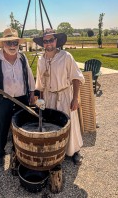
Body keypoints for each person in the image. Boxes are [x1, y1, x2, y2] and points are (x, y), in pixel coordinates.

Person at [0, 28, 35, 167]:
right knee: (0, 128)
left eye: (15, 43)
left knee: (21, 127)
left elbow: (29, 76)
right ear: (3, 44)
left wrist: (32, 93)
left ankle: (18, 151)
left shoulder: (22, 57)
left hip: (21, 98)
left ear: (18, 44)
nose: (12, 46)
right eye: (9, 43)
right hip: (2, 99)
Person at [33, 28, 85, 165]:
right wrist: (41, 100)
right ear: (42, 43)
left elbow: (76, 78)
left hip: (65, 95)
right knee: (52, 125)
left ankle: (74, 151)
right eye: (45, 41)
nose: (48, 43)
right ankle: (55, 152)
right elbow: (40, 83)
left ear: (56, 41)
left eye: (51, 40)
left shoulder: (66, 56)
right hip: (49, 98)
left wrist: (75, 98)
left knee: (70, 124)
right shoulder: (40, 60)